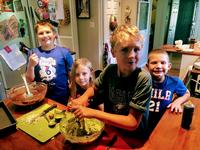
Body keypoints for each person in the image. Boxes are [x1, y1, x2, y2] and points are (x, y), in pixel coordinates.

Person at [70, 25, 152, 143]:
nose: (132, 55)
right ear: (113, 53)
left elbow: (132, 122)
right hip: (112, 130)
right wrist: (83, 97)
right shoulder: (110, 70)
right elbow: (94, 88)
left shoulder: (143, 78)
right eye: (125, 50)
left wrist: (93, 113)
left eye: (136, 49)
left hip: (134, 138)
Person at [25, 20, 73, 105]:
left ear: (54, 34)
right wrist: (31, 65)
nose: (45, 35)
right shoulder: (32, 53)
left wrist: (72, 96)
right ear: (37, 36)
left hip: (62, 97)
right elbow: (29, 80)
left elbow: (71, 78)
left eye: (48, 32)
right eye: (41, 33)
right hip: (41, 97)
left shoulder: (64, 52)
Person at [146, 49, 190, 134]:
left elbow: (187, 94)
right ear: (147, 66)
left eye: (163, 63)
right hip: (144, 122)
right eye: (154, 62)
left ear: (169, 66)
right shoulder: (142, 80)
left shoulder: (175, 82)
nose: (158, 66)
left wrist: (177, 102)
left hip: (163, 120)